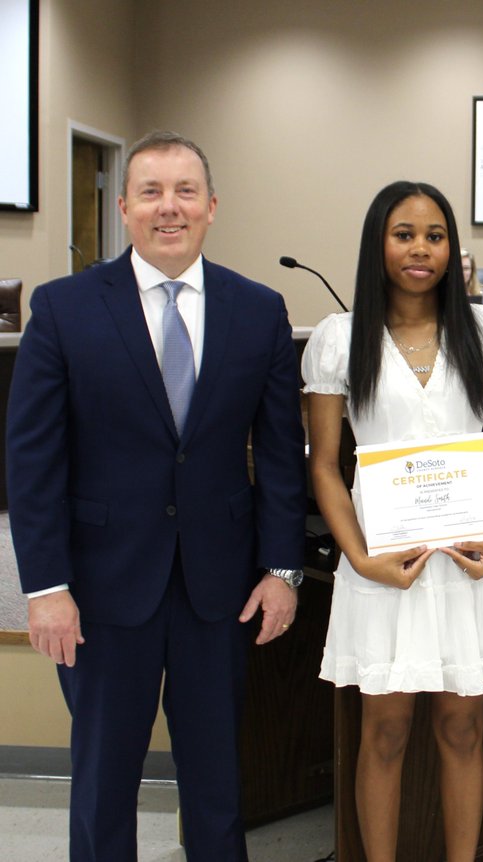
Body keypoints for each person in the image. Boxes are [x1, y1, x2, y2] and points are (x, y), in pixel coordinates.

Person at [6, 130, 308, 861]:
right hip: (101, 591)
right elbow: (32, 458)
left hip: (220, 588)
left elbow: (277, 454)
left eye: (183, 192)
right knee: (104, 779)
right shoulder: (65, 308)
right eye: (150, 191)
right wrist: (44, 586)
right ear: (123, 208)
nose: (167, 207)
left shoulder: (257, 309)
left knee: (218, 781)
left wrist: (283, 569)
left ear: (210, 206)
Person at [303, 181, 483, 862]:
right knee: (385, 731)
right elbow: (324, 467)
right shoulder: (340, 339)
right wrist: (359, 557)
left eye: (435, 235)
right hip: (382, 560)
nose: (420, 249)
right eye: (404, 234)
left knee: (463, 728)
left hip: (469, 557)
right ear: (378, 244)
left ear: (453, 247)